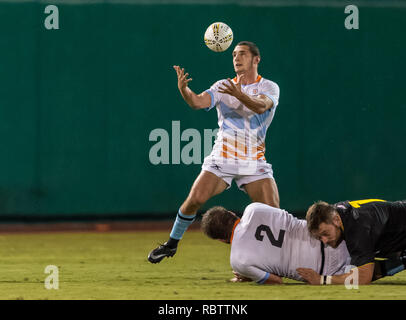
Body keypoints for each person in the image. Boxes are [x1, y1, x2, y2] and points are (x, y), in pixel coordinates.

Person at [148, 41, 281, 263]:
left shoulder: (269, 87)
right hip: (224, 156)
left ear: (256, 59)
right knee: (194, 199)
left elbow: (260, 106)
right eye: (234, 55)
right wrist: (184, 90)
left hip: (253, 158)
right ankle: (171, 244)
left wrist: (239, 95)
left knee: (273, 212)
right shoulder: (223, 85)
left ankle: (278, 258)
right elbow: (197, 102)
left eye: (242, 54)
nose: (237, 58)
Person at [201, 202, 352, 284]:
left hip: (327, 272)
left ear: (220, 240)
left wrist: (251, 274)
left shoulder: (238, 261)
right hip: (333, 236)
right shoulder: (254, 208)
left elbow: (276, 280)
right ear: (232, 214)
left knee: (369, 273)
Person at [300, 199, 406, 285]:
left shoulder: (356, 228)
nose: (324, 241)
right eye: (319, 237)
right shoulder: (337, 212)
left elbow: (364, 278)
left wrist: (322, 280)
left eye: (325, 233)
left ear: (336, 220)